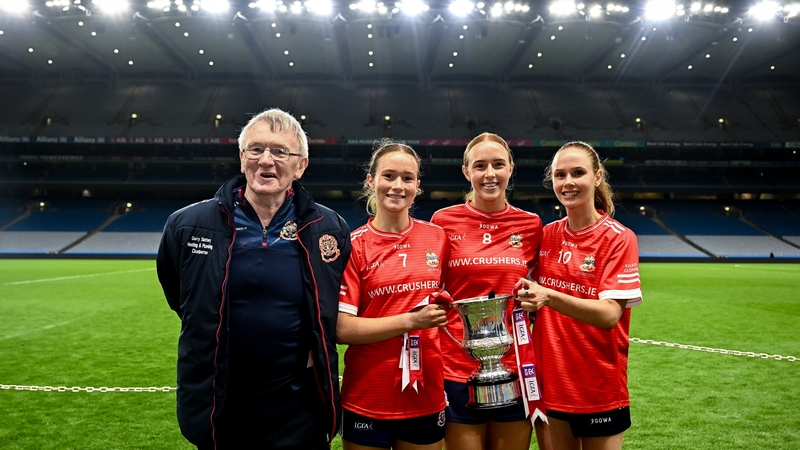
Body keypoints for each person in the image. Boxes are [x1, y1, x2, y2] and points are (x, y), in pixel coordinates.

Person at [156, 108, 351, 450]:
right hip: (221, 398)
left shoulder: (329, 228)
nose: (266, 161)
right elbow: (182, 298)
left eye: (280, 151)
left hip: (299, 402)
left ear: (300, 165)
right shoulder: (187, 225)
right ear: (242, 156)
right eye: (256, 149)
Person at [516, 141, 642, 450]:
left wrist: (549, 297)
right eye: (560, 175)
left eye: (578, 173)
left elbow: (610, 314)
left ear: (597, 177)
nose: (568, 182)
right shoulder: (547, 235)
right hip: (551, 384)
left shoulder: (619, 238)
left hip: (599, 385)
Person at [430, 132, 551, 450]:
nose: (489, 174)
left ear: (510, 168)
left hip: (515, 364)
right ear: (466, 172)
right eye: (480, 166)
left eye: (498, 164)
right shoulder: (443, 221)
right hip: (456, 367)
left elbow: (539, 290)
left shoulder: (531, 225)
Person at [337, 140, 449, 450]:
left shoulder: (437, 236)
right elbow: (342, 328)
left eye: (407, 178)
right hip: (367, 394)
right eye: (388, 176)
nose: (397, 186)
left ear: (418, 185)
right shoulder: (354, 245)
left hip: (424, 394)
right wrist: (411, 320)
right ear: (371, 180)